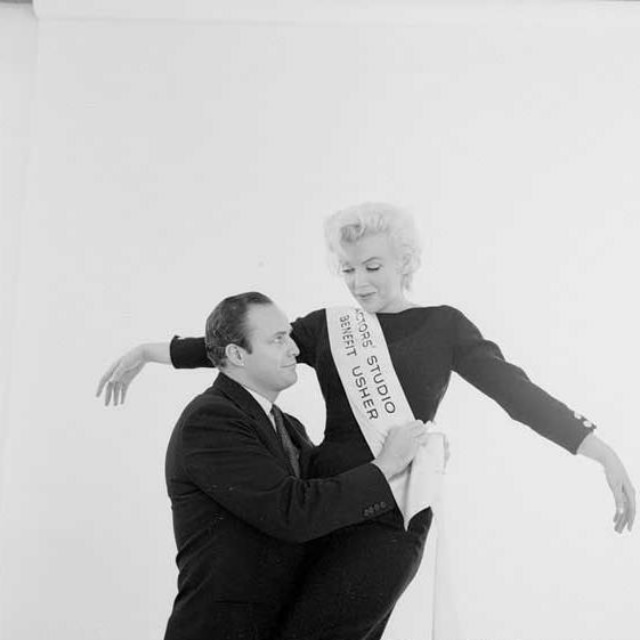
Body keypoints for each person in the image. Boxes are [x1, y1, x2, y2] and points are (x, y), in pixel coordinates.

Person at [98, 203, 635, 640]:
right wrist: (153, 351)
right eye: (347, 269)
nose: (358, 283)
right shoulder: (332, 327)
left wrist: (598, 450)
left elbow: (517, 393)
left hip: (391, 510)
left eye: (372, 267)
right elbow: (239, 346)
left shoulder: (443, 326)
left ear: (406, 262)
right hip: (321, 506)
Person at [161, 291, 432, 640]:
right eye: (278, 339)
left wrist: (418, 459)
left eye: (290, 335)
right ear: (236, 354)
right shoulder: (211, 420)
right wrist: (386, 466)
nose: (295, 349)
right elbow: (293, 511)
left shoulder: (289, 427)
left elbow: (328, 496)